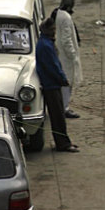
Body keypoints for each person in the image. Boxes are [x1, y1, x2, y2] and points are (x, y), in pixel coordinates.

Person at [35, 17, 79, 152]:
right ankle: (63, 143)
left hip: (51, 84)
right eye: (53, 29)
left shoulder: (44, 43)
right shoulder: (46, 46)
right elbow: (53, 66)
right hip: (51, 85)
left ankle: (62, 141)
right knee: (58, 117)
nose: (55, 32)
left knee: (57, 116)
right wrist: (62, 79)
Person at [52, 0, 83, 119]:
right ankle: (64, 108)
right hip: (66, 56)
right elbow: (66, 40)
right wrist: (73, 54)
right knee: (67, 82)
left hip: (61, 54)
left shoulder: (57, 13)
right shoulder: (65, 17)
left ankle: (62, 107)